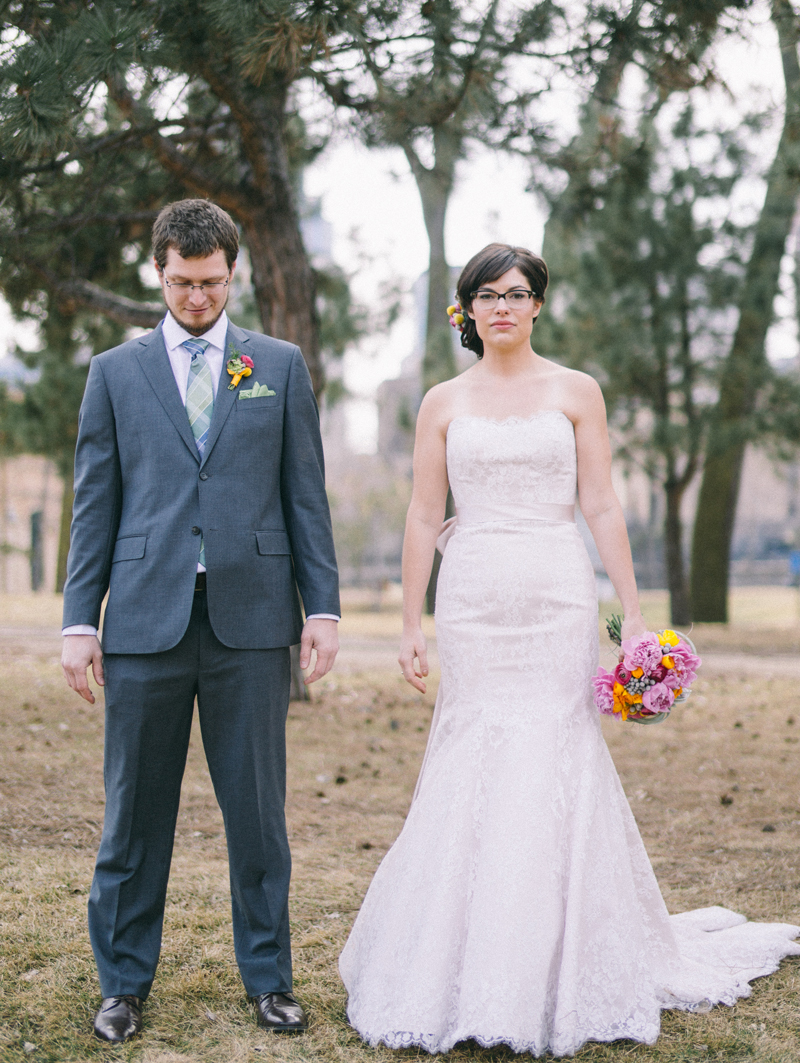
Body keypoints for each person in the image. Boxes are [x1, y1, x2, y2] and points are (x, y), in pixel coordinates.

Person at [339, 242, 800, 1056]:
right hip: (475, 598)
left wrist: (632, 607)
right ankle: (465, 959)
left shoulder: (576, 391)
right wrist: (410, 623)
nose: (504, 307)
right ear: (468, 310)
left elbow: (601, 501)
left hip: (557, 592)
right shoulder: (441, 402)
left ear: (538, 304)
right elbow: (421, 513)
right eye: (487, 295)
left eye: (517, 293)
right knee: (476, 749)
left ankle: (558, 958)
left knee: (557, 748)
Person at [61, 199, 340, 1044]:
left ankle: (270, 980)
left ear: (233, 273)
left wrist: (320, 607)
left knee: (257, 812)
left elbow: (305, 496)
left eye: (212, 283)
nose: (197, 298)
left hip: (253, 624)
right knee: (133, 812)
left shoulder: (278, 365)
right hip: (143, 620)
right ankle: (122, 982)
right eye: (183, 282)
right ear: (159, 271)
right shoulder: (114, 372)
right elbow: (94, 506)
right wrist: (80, 620)